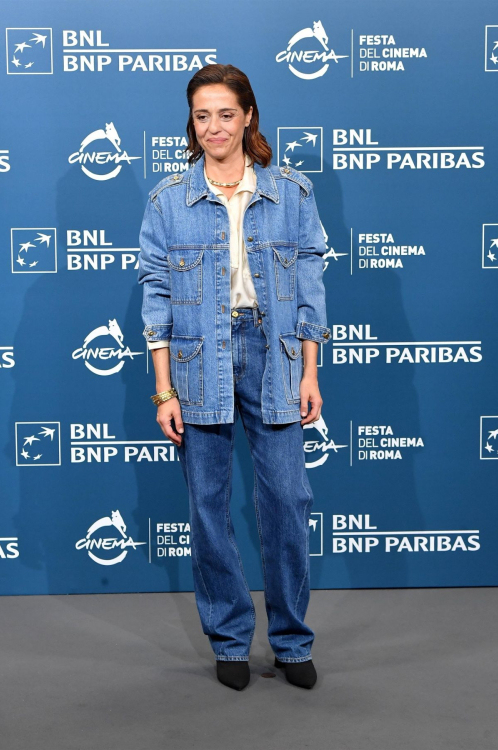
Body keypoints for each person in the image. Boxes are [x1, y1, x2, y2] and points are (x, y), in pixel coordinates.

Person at [137, 64, 331, 691]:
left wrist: (311, 372)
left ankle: (292, 643)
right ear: (191, 124)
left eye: (226, 113)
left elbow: (309, 288)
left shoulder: (291, 192)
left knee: (287, 503)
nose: (215, 126)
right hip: (198, 363)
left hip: (274, 355)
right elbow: (157, 295)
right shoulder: (169, 199)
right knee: (209, 509)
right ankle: (227, 637)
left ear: (248, 115)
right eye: (202, 116)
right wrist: (164, 388)